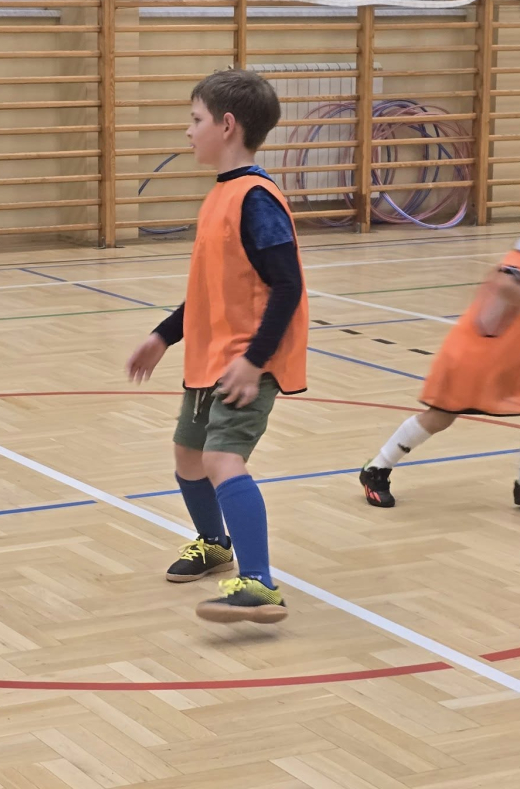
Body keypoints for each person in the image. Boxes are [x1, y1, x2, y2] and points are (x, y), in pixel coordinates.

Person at [126, 69, 308, 625]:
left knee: (221, 458)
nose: (188, 131)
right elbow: (210, 292)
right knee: (188, 456)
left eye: (195, 119)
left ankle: (260, 583)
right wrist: (163, 335)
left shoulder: (255, 200)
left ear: (227, 126)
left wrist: (254, 361)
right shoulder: (221, 196)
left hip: (247, 362)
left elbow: (288, 285)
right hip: (209, 359)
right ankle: (214, 542)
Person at [358, 162, 520, 509]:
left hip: (506, 357)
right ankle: (376, 468)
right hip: (474, 356)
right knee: (439, 417)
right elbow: (503, 283)